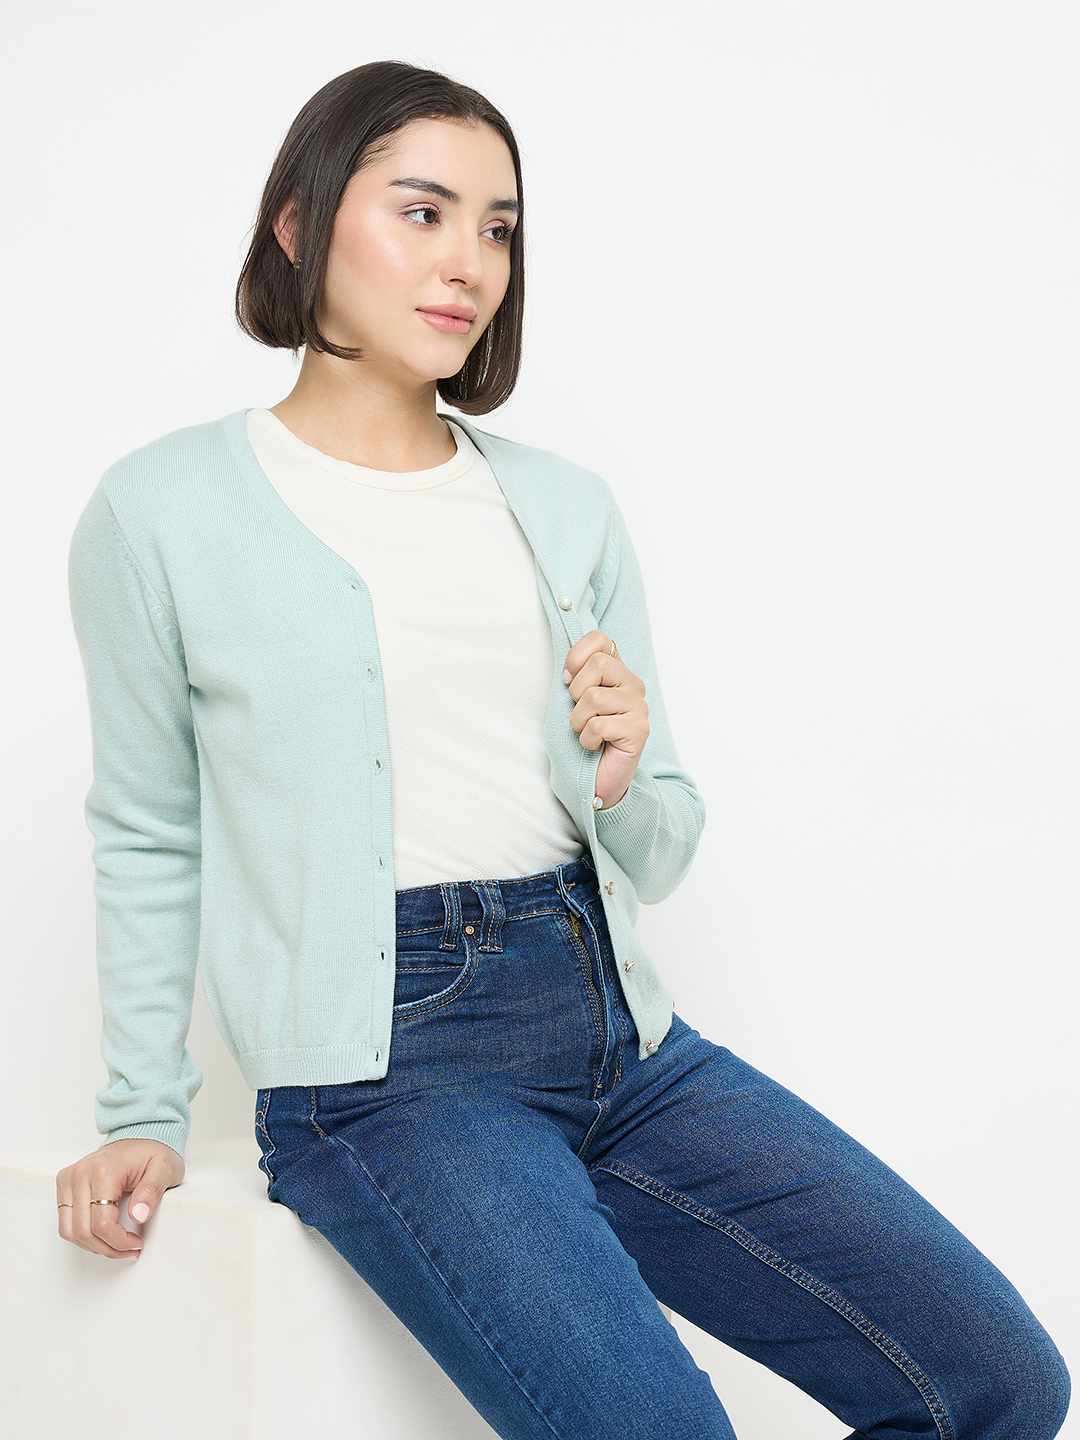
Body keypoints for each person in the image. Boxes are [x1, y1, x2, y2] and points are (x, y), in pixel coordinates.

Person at [58, 59, 1070, 1440]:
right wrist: (142, 1112)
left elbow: (660, 840)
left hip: (621, 1032)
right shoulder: (163, 512)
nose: (468, 262)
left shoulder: (559, 506)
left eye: (498, 227)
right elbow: (148, 831)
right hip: (389, 1082)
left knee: (996, 1382)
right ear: (298, 224)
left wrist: (620, 772)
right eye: (423, 212)